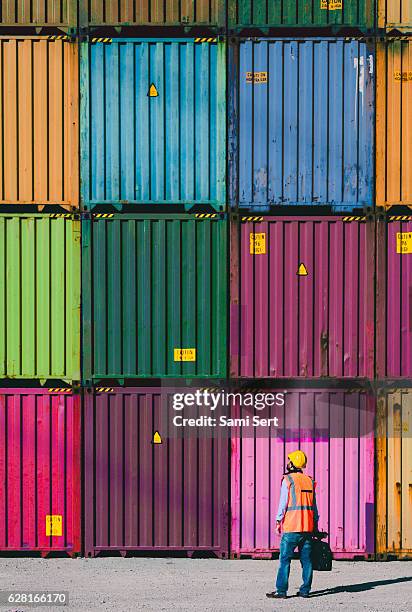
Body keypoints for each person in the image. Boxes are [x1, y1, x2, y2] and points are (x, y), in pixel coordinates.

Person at [266, 450, 319, 599]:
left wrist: (278, 521)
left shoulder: (288, 480)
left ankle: (281, 591)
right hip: (307, 528)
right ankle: (305, 591)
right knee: (307, 561)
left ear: (292, 463)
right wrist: (315, 523)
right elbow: (314, 506)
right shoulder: (309, 480)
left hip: (291, 528)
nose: (287, 462)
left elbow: (283, 503)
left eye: (289, 460)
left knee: (284, 560)